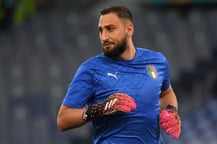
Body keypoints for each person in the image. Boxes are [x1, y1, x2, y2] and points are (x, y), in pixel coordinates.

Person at [57, 6, 181, 144]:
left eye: (110, 29)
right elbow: (63, 120)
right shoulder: (90, 70)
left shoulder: (157, 62)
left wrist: (171, 111)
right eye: (100, 30)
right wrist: (100, 109)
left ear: (129, 29)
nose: (104, 37)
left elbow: (166, 93)